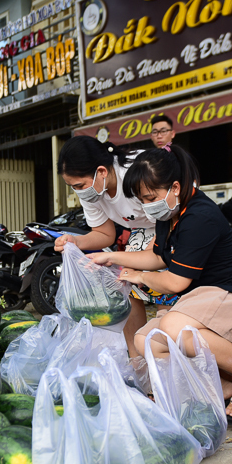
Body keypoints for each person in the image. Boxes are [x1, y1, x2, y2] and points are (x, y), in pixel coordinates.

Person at [87, 146, 232, 425]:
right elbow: (156, 256)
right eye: (142, 200)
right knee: (145, 341)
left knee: (174, 327)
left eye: (150, 197)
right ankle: (224, 386)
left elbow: (176, 282)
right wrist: (111, 256)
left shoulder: (199, 216)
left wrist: (139, 277)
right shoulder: (169, 214)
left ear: (175, 187)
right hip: (204, 301)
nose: (146, 205)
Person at [55, 136, 159, 355]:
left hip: (174, 224)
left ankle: (171, 360)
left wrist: (147, 256)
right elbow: (104, 234)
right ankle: (137, 362)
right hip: (141, 232)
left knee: (168, 295)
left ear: (101, 171)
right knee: (129, 290)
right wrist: (76, 241)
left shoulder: (138, 171)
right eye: (72, 186)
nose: (78, 191)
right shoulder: (93, 192)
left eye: (79, 185)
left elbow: (171, 210)